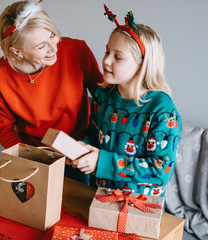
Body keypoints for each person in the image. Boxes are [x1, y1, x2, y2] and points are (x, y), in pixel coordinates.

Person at [70, 5, 182, 197]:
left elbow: (160, 170)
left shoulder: (161, 110)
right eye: (107, 52)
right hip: (98, 197)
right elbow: (95, 135)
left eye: (117, 57)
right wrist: (81, 148)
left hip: (139, 207)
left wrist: (101, 162)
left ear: (141, 66)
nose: (106, 61)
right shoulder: (103, 96)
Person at [0, 0, 103, 151]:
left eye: (52, 35)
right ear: (17, 51)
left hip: (81, 144)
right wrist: (28, 156)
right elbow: (3, 129)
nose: (53, 48)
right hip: (35, 151)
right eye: (41, 46)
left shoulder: (76, 50)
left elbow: (104, 98)